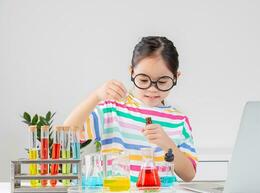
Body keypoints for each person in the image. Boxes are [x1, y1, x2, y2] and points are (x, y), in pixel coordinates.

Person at [64, 36, 197, 182]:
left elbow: (189, 174)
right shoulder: (112, 110)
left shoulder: (179, 121)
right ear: (131, 72)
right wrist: (96, 96)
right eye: (143, 80)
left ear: (176, 77)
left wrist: (168, 145)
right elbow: (68, 133)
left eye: (163, 81)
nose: (152, 89)